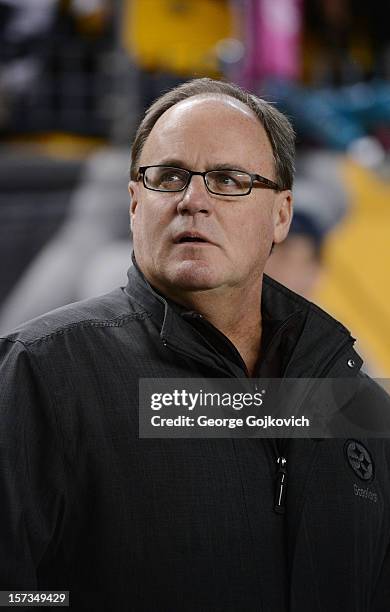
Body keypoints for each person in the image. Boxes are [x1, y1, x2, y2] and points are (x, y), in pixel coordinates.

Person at [1, 78, 389, 611]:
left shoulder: (356, 401)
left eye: (229, 180)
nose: (193, 200)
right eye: (169, 176)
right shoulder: (41, 373)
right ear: (135, 203)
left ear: (281, 214)